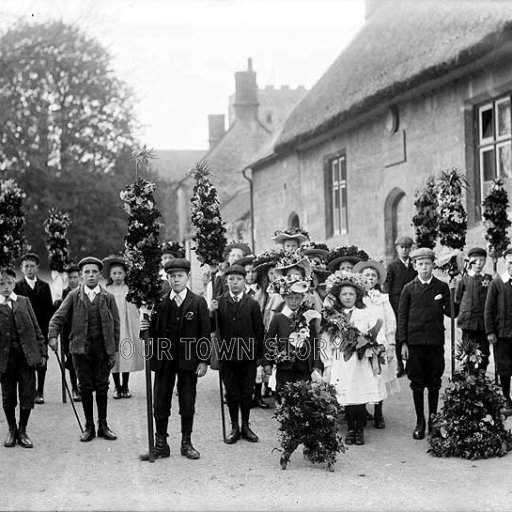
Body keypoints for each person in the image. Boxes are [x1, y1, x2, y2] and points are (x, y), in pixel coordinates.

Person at [140, 258, 210, 460]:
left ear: (187, 277)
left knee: (187, 401)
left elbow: (204, 333)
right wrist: (145, 327)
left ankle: (186, 442)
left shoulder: (197, 302)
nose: (176, 280)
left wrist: (203, 360)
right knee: (160, 400)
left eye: (180, 276)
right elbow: (151, 332)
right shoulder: (159, 302)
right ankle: (160, 443)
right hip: (164, 358)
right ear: (167, 278)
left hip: (189, 359)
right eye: (172, 276)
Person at [48, 257, 120, 443]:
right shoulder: (73, 296)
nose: (90, 275)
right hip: (80, 350)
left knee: (102, 386)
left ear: (100, 275)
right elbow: (58, 318)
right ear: (81, 275)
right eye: (86, 272)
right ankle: (89, 425)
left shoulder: (108, 297)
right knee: (85, 387)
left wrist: (113, 350)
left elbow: (116, 326)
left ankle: (103, 424)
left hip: (103, 349)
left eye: (94, 272)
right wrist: (53, 336)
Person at [320, 271, 387, 446]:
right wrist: (327, 362)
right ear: (338, 296)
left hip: (360, 360)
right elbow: (326, 339)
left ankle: (360, 429)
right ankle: (350, 428)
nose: (348, 297)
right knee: (347, 395)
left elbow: (377, 332)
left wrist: (376, 345)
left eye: (351, 294)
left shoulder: (365, 313)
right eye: (344, 294)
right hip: (341, 361)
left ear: (357, 295)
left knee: (359, 394)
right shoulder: (333, 316)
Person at [398, 248, 452, 440]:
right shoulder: (408, 289)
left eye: (427, 264)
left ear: (432, 265)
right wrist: (403, 343)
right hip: (415, 343)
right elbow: (402, 318)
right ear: (415, 266)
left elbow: (451, 313)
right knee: (417, 383)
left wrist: (453, 293)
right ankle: (420, 421)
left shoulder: (442, 287)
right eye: (420, 264)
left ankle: (433, 421)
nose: (424, 268)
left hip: (435, 343)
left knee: (435, 383)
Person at [211, 265, 265, 444]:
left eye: (238, 279)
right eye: (231, 279)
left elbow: (259, 331)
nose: (235, 283)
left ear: (244, 281)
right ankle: (234, 426)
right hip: (227, 355)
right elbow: (211, 328)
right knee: (232, 393)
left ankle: (246, 426)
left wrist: (258, 355)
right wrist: (211, 312)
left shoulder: (252, 304)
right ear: (226, 282)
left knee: (246, 392)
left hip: (247, 355)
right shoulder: (219, 302)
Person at [0, 267, 47, 448]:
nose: (5, 287)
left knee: (28, 393)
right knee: (8, 396)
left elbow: (36, 328)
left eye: (9, 282)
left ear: (14, 283)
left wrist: (42, 352)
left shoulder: (23, 301)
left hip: (26, 358)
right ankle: (11, 429)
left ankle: (22, 429)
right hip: (5, 360)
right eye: (1, 283)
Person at [354, 260, 399, 428]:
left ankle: (379, 413)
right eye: (367, 275)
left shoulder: (383, 299)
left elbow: (390, 321)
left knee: (379, 376)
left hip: (380, 343)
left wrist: (391, 343)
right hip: (362, 343)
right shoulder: (357, 298)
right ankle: (364, 410)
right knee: (364, 376)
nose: (370, 278)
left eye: (373, 275)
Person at [263, 277, 322, 398]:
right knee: (284, 393)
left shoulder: (308, 316)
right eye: (290, 298)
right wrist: (267, 362)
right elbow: (268, 340)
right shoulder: (278, 318)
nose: (294, 301)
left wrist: (316, 364)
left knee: (303, 395)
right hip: (285, 365)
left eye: (297, 298)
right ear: (284, 298)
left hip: (304, 365)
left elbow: (314, 342)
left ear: (302, 298)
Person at [14, 252, 54, 404]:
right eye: (26, 267)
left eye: (32, 266)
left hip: (41, 329)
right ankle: (28, 391)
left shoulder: (44, 286)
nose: (29, 269)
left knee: (41, 361)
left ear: (37, 268)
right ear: (22, 268)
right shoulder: (17, 287)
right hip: (23, 330)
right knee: (25, 362)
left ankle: (40, 391)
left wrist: (48, 332)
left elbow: (49, 310)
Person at [103, 256, 143, 400]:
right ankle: (116, 386)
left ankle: (125, 385)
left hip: (126, 326)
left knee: (126, 355)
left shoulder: (130, 289)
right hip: (113, 327)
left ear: (125, 274)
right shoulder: (107, 290)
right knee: (114, 356)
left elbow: (135, 309)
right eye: (114, 273)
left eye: (120, 273)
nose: (117, 276)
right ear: (110, 275)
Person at [238, 255, 269, 409]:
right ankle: (246, 394)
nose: (250, 275)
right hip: (244, 331)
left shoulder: (263, 291)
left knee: (258, 363)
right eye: (247, 272)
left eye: (253, 272)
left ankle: (258, 394)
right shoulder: (240, 291)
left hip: (259, 330)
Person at [383, 236, 417, 377]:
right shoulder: (392, 266)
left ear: (410, 249)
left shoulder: (414, 266)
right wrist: (388, 303)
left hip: (411, 303)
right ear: (397, 249)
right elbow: (387, 286)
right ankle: (399, 364)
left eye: (407, 247)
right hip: (396, 304)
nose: (404, 250)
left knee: (410, 331)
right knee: (398, 334)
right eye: (402, 247)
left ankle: (410, 364)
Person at [455, 247, 491, 373]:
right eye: (475, 260)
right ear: (469, 262)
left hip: (483, 324)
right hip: (468, 323)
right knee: (467, 354)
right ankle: (468, 381)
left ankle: (481, 380)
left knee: (484, 354)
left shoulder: (488, 279)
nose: (479, 263)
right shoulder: (463, 279)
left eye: (482, 260)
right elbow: (458, 299)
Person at [485, 248, 512, 412]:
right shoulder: (497, 283)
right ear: (505, 262)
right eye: (511, 262)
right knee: (504, 367)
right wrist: (490, 331)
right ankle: (506, 397)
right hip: (502, 333)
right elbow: (489, 309)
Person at [55, 263, 81, 401]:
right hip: (68, 333)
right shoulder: (63, 294)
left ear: (79, 277)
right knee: (71, 361)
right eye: (70, 277)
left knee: (82, 361)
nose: (72, 280)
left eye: (75, 277)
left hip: (82, 332)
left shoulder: (84, 291)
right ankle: (74, 388)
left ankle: (82, 386)